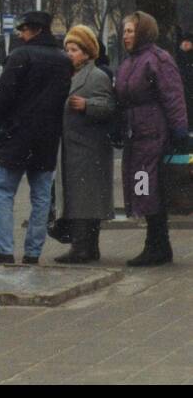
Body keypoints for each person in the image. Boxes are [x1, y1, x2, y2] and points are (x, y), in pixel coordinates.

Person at [0, 10, 72, 264]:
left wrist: (1, 120)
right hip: (47, 137)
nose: (21, 34)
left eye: (24, 30)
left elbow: (3, 97)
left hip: (16, 135)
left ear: (34, 30)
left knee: (4, 191)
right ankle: (33, 253)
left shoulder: (20, 56)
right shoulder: (63, 60)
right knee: (41, 196)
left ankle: (4, 250)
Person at [114, 11, 186, 267]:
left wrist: (179, 131)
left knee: (148, 186)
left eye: (130, 31)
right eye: (124, 31)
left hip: (153, 134)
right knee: (141, 187)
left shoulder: (158, 59)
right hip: (136, 135)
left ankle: (156, 244)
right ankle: (157, 243)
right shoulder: (129, 62)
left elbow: (173, 95)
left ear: (143, 31)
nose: (125, 36)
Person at [53, 25, 116, 263]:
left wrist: (88, 105)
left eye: (75, 49)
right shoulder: (68, 75)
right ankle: (86, 247)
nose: (70, 53)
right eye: (68, 49)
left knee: (85, 198)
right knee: (78, 196)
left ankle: (83, 247)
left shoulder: (97, 76)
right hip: (73, 148)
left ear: (88, 53)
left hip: (89, 148)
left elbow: (109, 107)